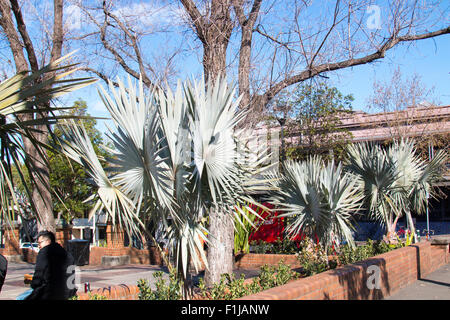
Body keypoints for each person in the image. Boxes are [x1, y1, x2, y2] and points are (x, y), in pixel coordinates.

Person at [19, 231, 77, 300]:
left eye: (40, 242)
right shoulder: (68, 255)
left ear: (48, 241)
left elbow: (38, 278)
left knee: (20, 298)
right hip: (67, 293)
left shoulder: (44, 253)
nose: (38, 245)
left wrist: (33, 284)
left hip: (48, 293)